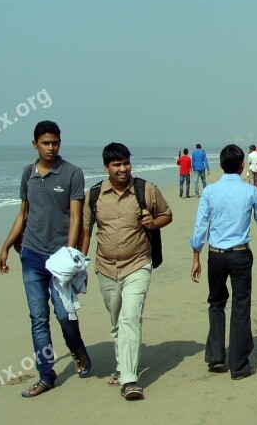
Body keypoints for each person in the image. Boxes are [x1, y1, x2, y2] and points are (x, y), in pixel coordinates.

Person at [0, 121, 91, 398]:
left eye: (55, 143)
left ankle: (78, 349)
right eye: (46, 143)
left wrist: (69, 255)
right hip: (32, 258)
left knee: (64, 314)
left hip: (60, 259)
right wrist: (5, 247)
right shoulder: (28, 174)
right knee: (38, 318)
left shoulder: (72, 174)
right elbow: (22, 214)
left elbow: (76, 217)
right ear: (35, 144)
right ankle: (46, 376)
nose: (51, 148)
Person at [81, 143, 173, 401]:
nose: (123, 169)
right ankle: (122, 366)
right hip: (106, 268)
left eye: (126, 163)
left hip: (138, 264)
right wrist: (79, 263)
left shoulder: (146, 189)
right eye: (116, 165)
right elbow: (86, 231)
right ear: (106, 167)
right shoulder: (95, 195)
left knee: (130, 317)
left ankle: (130, 380)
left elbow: (167, 214)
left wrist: (153, 223)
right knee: (116, 321)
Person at [190, 144, 257, 380]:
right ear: (242, 166)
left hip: (216, 255)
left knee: (216, 302)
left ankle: (216, 356)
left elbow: (201, 226)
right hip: (240, 254)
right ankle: (238, 365)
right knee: (240, 306)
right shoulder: (250, 192)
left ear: (221, 165)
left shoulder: (210, 191)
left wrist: (195, 256)